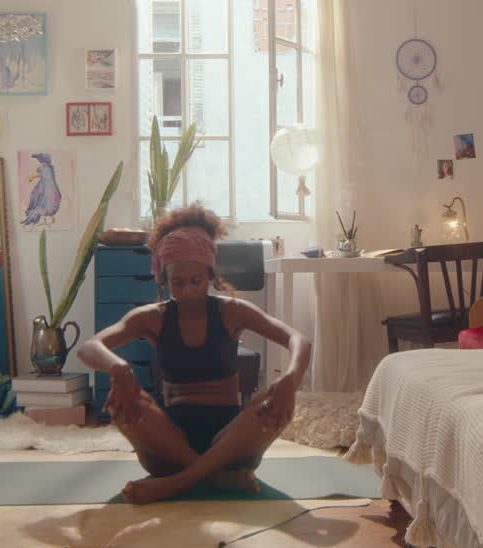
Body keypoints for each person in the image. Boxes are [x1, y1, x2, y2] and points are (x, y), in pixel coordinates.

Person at [78, 204, 311, 504]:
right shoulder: (153, 317)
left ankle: (179, 483)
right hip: (167, 449)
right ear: (164, 279)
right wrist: (120, 370)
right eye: (178, 283)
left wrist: (290, 380)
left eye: (196, 281)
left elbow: (298, 339)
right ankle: (214, 477)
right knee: (124, 404)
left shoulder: (232, 311)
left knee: (273, 401)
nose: (187, 291)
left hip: (231, 446)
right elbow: (89, 347)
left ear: (210, 274)